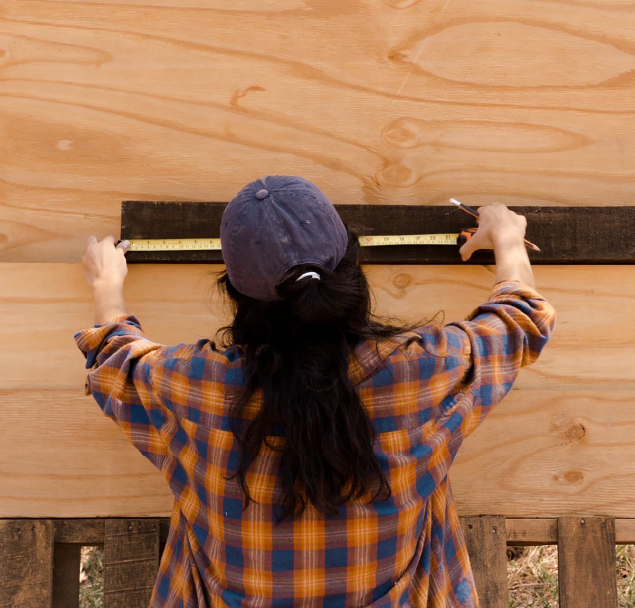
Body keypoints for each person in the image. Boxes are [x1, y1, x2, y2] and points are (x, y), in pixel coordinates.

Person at [75, 176, 555, 608]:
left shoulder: (194, 386)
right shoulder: (427, 371)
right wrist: (509, 242)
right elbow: (519, 321)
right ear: (350, 266)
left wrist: (107, 287)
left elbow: (115, 360)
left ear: (235, 294)